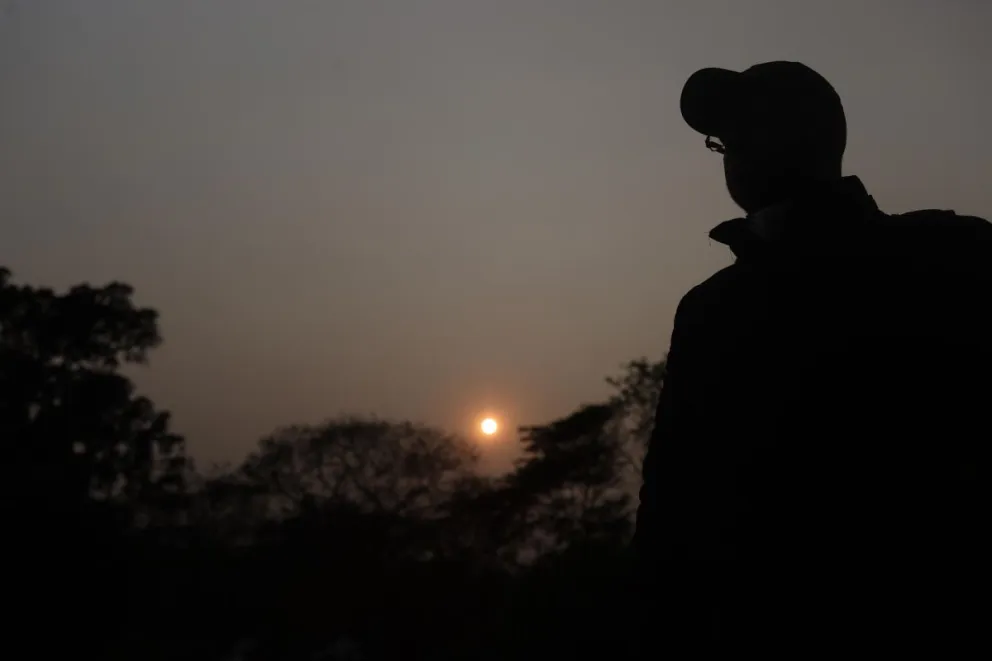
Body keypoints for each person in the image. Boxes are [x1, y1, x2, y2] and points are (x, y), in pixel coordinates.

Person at [634, 61, 991, 655]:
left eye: (739, 133)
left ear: (793, 133)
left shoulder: (720, 309)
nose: (729, 154)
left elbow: (670, 518)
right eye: (723, 141)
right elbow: (670, 514)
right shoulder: (958, 251)